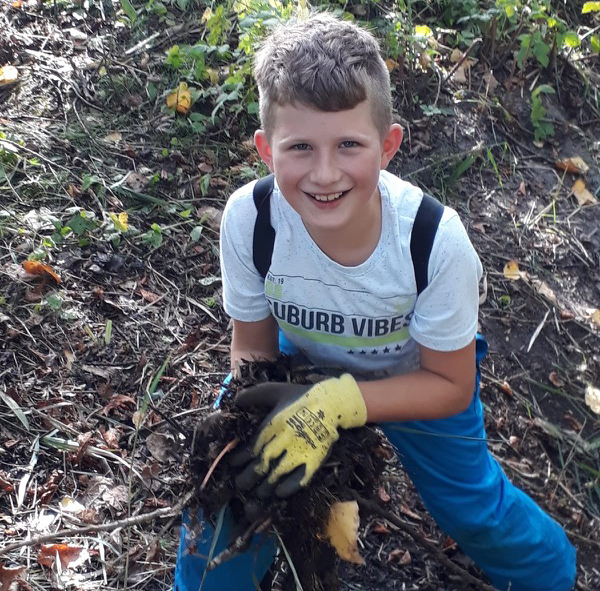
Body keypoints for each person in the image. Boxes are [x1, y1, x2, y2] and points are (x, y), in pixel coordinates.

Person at [174, 12, 576, 591]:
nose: (325, 171)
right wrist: (257, 416)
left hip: (414, 373)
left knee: (473, 510)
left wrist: (338, 404)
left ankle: (554, 575)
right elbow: (252, 350)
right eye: (300, 147)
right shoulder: (252, 219)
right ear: (265, 149)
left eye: (349, 145)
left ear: (388, 147)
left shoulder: (432, 241)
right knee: (229, 492)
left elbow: (451, 385)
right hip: (302, 360)